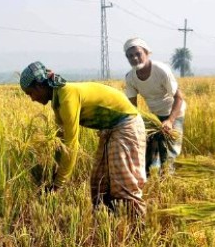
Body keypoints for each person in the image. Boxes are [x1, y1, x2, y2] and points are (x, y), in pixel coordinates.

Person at [20, 61, 148, 215]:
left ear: (39, 86)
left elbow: (71, 145)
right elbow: (60, 143)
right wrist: (53, 174)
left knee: (123, 184)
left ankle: (139, 230)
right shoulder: (58, 101)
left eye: (30, 93)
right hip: (110, 129)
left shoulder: (67, 96)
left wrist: (58, 185)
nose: (32, 99)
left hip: (126, 125)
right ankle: (109, 229)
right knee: (100, 185)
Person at [123, 37, 186, 176]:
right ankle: (147, 176)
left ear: (146, 53)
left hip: (173, 111)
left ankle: (167, 177)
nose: (134, 58)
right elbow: (132, 107)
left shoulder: (161, 70)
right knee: (148, 146)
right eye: (130, 56)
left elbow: (179, 97)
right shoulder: (130, 78)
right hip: (154, 115)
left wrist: (170, 121)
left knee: (169, 149)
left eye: (138, 54)